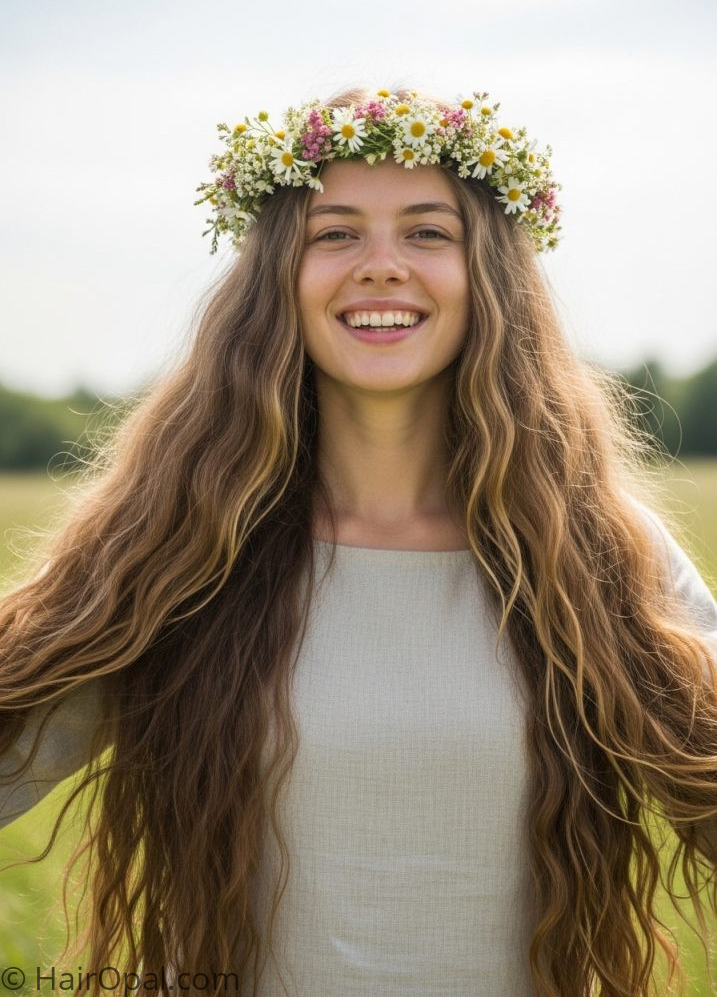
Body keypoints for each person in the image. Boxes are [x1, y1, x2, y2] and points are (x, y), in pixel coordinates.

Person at [1, 84, 716, 997]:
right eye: (334, 233)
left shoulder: (598, 551)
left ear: (488, 277)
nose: (380, 265)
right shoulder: (176, 547)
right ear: (276, 283)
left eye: (427, 231)